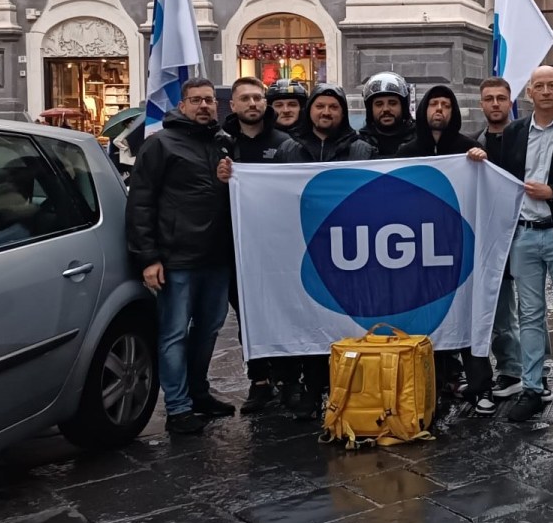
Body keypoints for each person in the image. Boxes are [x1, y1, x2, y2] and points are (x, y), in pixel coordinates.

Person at [476, 65, 553, 424]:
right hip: (524, 235)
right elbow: (501, 179)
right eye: (538, 86)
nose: (544, 91)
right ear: (529, 93)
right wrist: (476, 158)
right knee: (529, 315)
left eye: (551, 85)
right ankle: (531, 387)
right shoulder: (513, 132)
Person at [126, 78, 237, 435]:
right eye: (196, 100)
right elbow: (140, 202)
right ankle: (177, 407)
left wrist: (228, 182)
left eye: (209, 100)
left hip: (216, 257)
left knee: (209, 330)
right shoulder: (160, 144)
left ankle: (199, 392)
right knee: (174, 333)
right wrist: (148, 257)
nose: (204, 106)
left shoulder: (223, 143)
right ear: (182, 105)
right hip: (176, 259)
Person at [273, 83, 375, 419]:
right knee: (311, 321)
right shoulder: (289, 149)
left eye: (333, 107)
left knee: (346, 323)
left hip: (349, 250)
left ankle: (349, 391)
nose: (326, 113)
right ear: (310, 111)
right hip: (304, 250)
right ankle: (313, 389)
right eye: (320, 107)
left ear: (342, 112)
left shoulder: (362, 150)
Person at [398, 85, 494, 411]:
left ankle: (481, 386)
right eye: (434, 104)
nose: (439, 109)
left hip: (459, 248)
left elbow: (487, 189)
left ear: (453, 112)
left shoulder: (468, 148)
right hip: (418, 249)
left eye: (446, 105)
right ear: (424, 109)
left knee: (467, 314)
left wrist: (482, 162)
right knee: (429, 317)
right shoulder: (407, 151)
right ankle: (434, 386)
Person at [216, 77, 291, 414]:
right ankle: (258, 381)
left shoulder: (285, 143)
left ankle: (286, 378)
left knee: (282, 312)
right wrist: (219, 180)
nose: (252, 104)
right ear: (233, 105)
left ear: (265, 103)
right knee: (247, 316)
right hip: (235, 247)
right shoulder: (220, 145)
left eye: (258, 98)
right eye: (244, 98)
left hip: (277, 248)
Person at [476, 77, 524, 402]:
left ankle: (535, 370)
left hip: (526, 230)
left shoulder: (526, 138)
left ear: (510, 102)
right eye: (489, 98)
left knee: (532, 306)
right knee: (500, 306)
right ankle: (510, 369)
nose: (495, 104)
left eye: (501, 98)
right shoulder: (474, 144)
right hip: (491, 234)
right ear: (482, 104)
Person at [358, 71, 417, 157]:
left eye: (392, 103)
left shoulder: (420, 140)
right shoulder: (358, 147)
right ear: (370, 110)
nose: (386, 109)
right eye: (379, 104)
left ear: (403, 107)